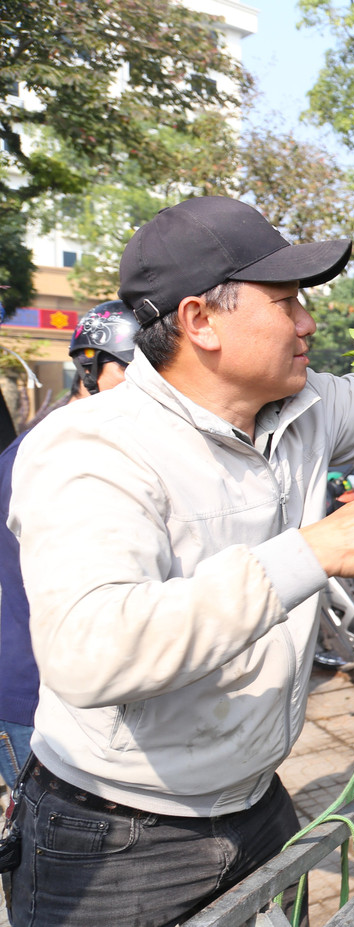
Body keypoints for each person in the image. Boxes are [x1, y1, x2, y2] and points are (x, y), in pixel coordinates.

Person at [1, 196, 354, 926]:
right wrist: (316, 549)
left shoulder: (305, 410)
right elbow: (92, 651)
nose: (309, 322)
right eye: (287, 302)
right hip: (118, 836)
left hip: (258, 802)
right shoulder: (93, 448)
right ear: (200, 320)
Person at [0, 302, 138, 792]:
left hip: (101, 701)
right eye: (134, 365)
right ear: (90, 367)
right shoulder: (45, 455)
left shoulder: (118, 441)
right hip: (38, 702)